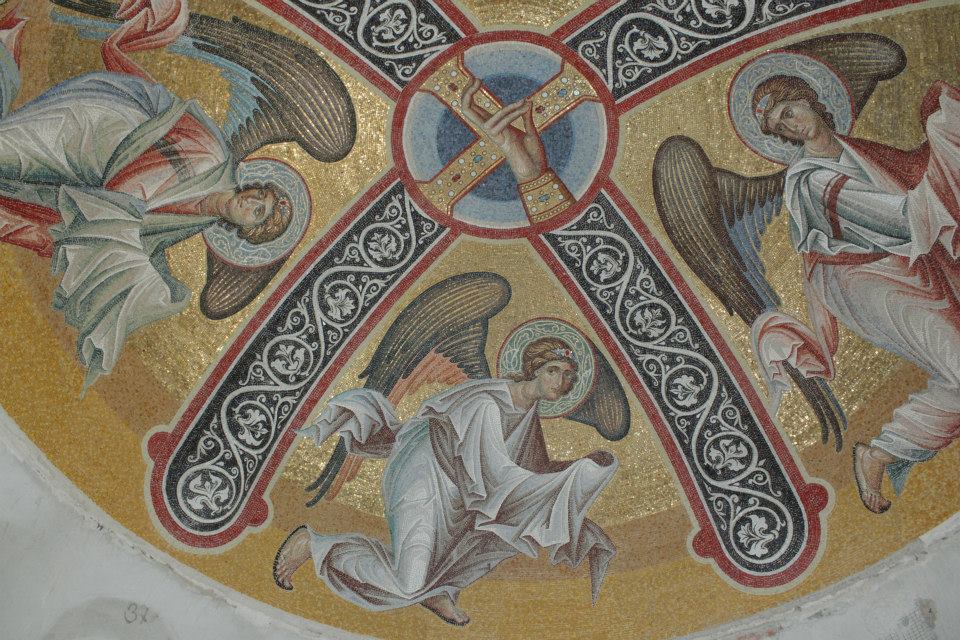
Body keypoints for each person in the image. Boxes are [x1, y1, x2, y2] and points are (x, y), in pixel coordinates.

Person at [0, 9, 293, 387]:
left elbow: (144, 233)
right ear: (253, 187)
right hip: (94, 126)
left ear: (244, 230)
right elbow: (132, 184)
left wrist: (164, 288)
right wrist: (120, 245)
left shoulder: (196, 221)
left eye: (256, 214)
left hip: (92, 175)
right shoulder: (213, 158)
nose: (251, 205)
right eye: (259, 198)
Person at [273, 337, 618, 625]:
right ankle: (318, 546)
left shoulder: (528, 418)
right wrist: (568, 482)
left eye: (568, 375)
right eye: (553, 370)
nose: (561, 381)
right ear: (534, 369)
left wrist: (581, 468)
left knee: (505, 535)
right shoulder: (488, 404)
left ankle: (438, 590)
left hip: (460, 494)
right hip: (425, 478)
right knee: (409, 585)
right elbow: (499, 476)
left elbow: (535, 469)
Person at [749, 74, 960, 513]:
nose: (790, 126)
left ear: (809, 100)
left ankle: (886, 450)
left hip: (906, 264)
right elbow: (901, 218)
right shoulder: (812, 181)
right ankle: (879, 453)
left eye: (789, 112)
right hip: (863, 280)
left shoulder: (856, 150)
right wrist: (945, 143)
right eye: (780, 126)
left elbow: (911, 170)